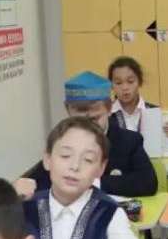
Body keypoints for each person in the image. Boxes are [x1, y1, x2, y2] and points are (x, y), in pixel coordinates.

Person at [22, 117, 140, 239]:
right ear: (47, 160)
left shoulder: (108, 212)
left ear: (101, 168)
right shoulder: (24, 207)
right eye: (65, 155)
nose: (75, 166)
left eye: (88, 160)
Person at [16, 71, 157, 198]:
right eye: (80, 120)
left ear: (109, 109)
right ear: (68, 109)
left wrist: (91, 183)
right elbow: (37, 182)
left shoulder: (129, 141)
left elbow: (147, 183)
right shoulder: (60, 141)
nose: (88, 127)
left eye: (95, 119)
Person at [107, 55, 158, 134]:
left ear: (140, 82)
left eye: (130, 81)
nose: (125, 88)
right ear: (111, 85)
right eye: (118, 83)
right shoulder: (106, 115)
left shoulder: (155, 112)